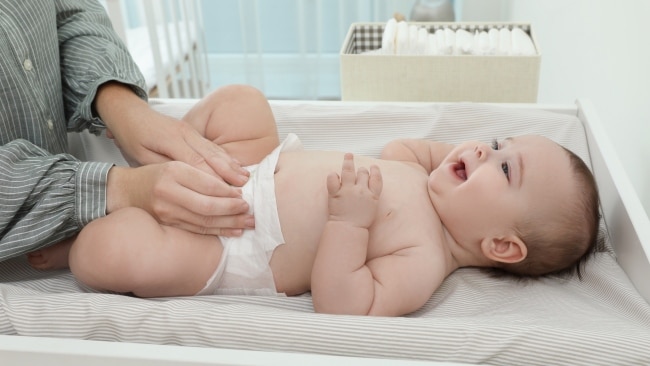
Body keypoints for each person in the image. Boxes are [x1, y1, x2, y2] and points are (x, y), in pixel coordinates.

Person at [32, 84, 600, 317]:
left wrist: (349, 224)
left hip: (237, 244)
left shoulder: (424, 261)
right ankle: (161, 163)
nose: (481, 149)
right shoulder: (422, 174)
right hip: (254, 163)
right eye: (496, 141)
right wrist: (454, 160)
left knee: (107, 254)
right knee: (242, 102)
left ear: (501, 244)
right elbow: (407, 147)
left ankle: (78, 233)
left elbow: (342, 304)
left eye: (503, 166)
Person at [0, 0, 254, 264]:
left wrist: (120, 103)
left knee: (241, 101)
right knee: (241, 101)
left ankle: (79, 245)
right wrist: (121, 190)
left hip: (249, 189)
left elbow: (70, 13)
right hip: (251, 208)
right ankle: (77, 245)